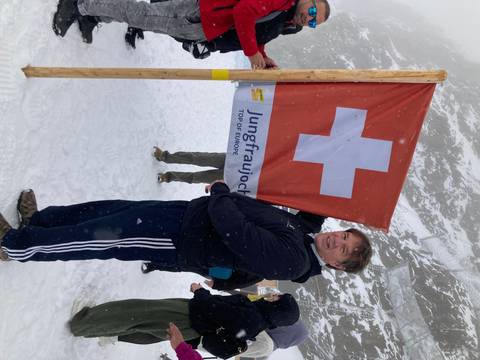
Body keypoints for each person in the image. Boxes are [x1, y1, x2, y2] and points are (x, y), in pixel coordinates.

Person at [0, 185, 372, 289]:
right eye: (345, 235)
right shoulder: (307, 234)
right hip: (186, 216)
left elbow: (237, 233)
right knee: (105, 211)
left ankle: (15, 247)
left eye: (344, 250)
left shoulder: (294, 262)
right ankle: (38, 226)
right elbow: (320, 195)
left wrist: (222, 195)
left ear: (337, 265)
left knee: (99, 235)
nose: (337, 240)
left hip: (179, 238)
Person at [52, 0, 330, 69]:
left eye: (314, 23)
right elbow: (245, 12)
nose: (309, 19)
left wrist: (262, 56)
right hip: (203, 15)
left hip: (205, 29)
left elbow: (255, 32)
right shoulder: (285, 1)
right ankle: (77, 5)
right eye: (314, 11)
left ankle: (94, 15)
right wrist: (252, 53)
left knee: (148, 21)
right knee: (142, 15)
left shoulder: (286, 21)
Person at [69, 282, 300, 359]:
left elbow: (212, 309)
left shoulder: (251, 314)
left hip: (187, 315)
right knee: (144, 327)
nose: (272, 295)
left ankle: (84, 323)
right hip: (193, 331)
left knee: (136, 311)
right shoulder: (256, 325)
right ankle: (94, 328)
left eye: (277, 297)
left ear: (277, 305)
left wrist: (199, 291)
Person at [153, 147, 225, 184]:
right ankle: (165, 156)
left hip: (231, 179)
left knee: (197, 177)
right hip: (232, 161)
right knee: (198, 158)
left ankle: (168, 177)